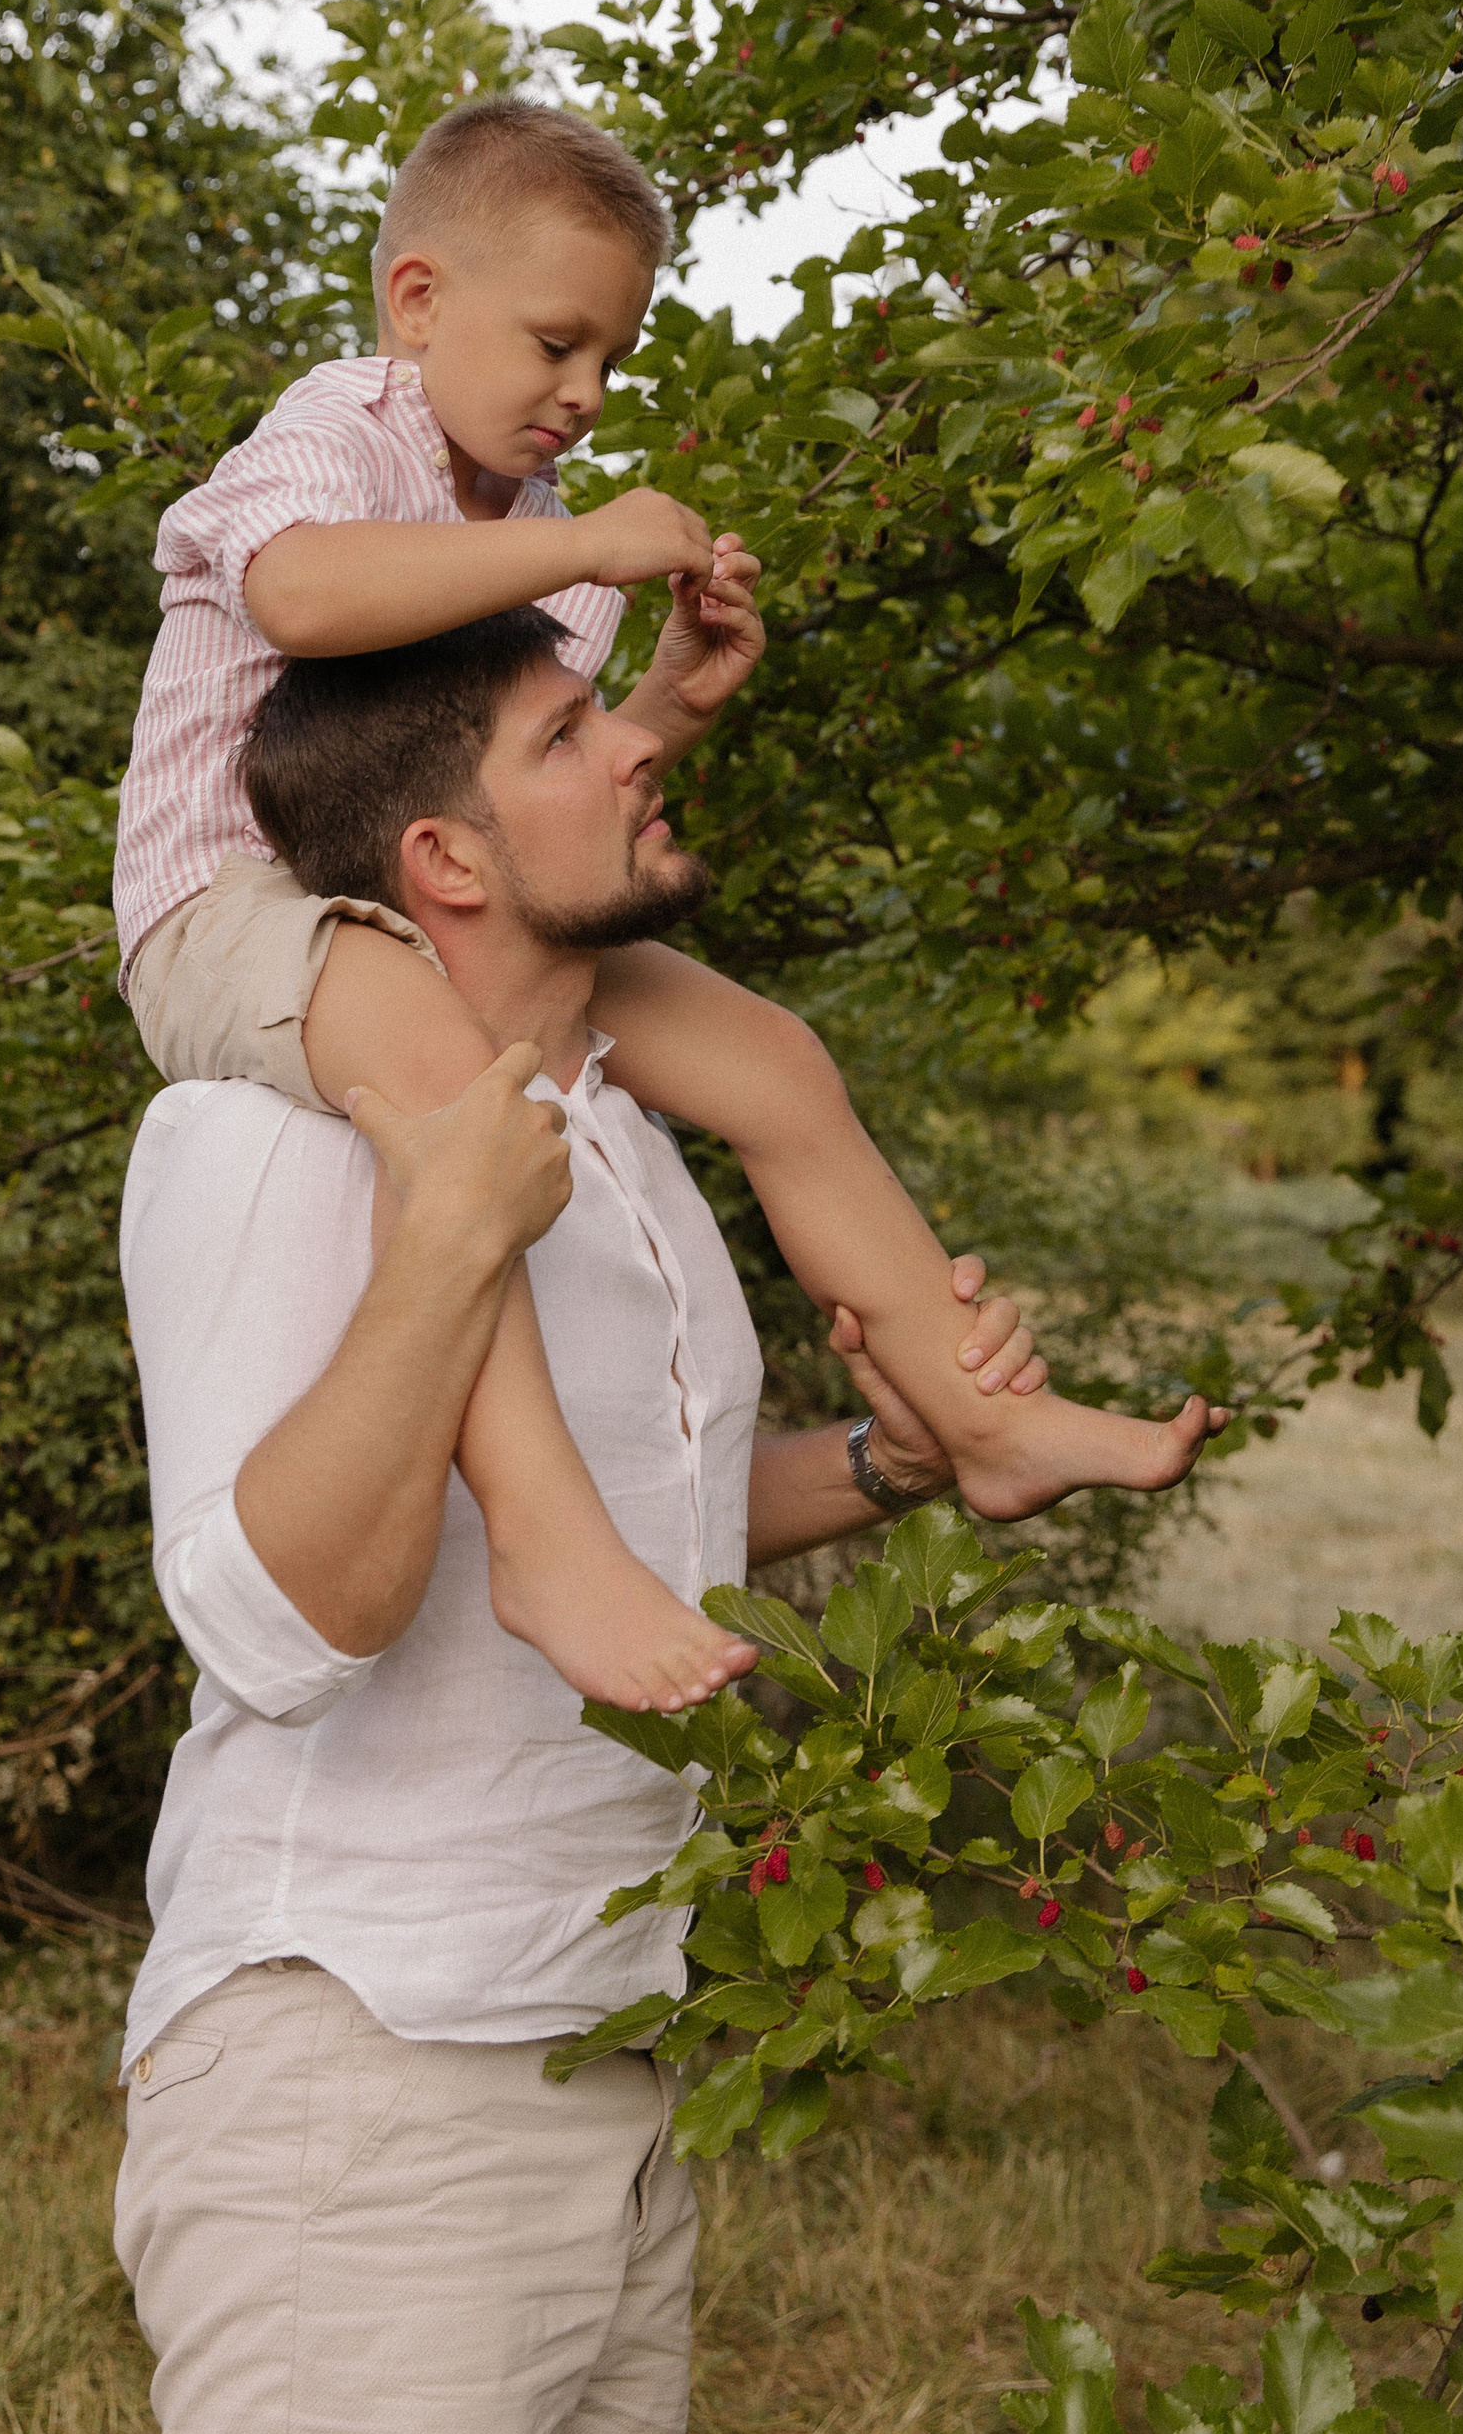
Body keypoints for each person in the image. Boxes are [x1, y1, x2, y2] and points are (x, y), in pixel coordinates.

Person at [114, 607, 1199, 2434]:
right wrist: (447, 1242)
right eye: (563, 737)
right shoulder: (258, 1140)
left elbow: (659, 1514)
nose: (636, 749)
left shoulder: (622, 1136)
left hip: (605, 2048)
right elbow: (279, 1620)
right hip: (367, 2071)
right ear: (442, 858)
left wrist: (898, 1455)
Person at [111, 93, 1217, 1723]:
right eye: (557, 341)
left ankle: (976, 1422)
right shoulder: (342, 429)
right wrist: (606, 547)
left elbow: (531, 796)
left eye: (613, 361)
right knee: (457, 1100)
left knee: (768, 1056)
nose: (585, 392)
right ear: (418, 303)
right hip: (239, 903)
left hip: (441, 903)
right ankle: (550, 1542)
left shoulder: (546, 534)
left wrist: (676, 697)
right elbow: (301, 593)